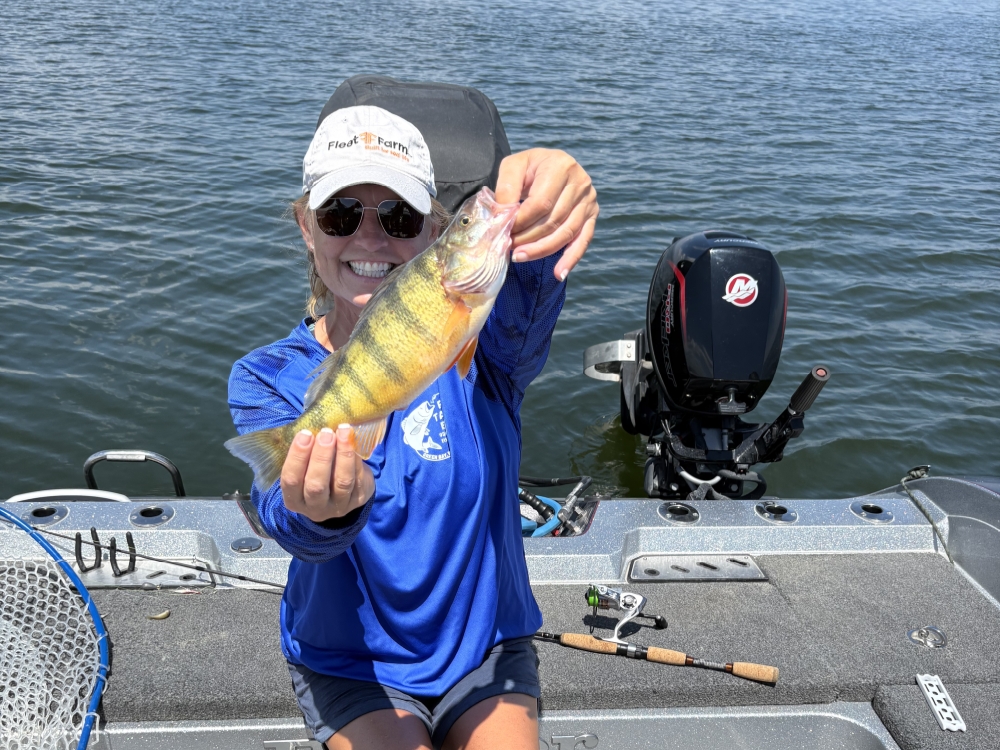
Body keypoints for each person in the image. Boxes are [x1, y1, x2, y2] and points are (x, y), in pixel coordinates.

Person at [228, 103, 598, 750]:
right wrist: (321, 513)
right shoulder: (267, 376)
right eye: (341, 215)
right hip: (349, 660)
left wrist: (549, 202)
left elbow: (528, 292)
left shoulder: (488, 351)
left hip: (485, 645)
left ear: (432, 233)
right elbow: (289, 523)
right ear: (306, 229)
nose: (370, 240)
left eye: (398, 218)